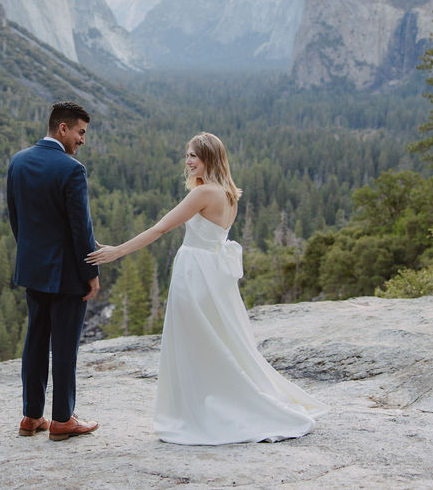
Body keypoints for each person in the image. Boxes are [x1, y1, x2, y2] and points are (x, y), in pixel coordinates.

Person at [86, 132, 328, 445]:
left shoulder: (203, 194)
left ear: (209, 159)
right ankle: (209, 402)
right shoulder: (229, 193)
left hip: (196, 272)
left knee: (194, 341)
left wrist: (117, 251)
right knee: (219, 339)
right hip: (214, 273)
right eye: (187, 156)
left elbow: (161, 228)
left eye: (193, 157)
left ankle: (200, 410)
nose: (187, 162)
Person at [6, 101, 100, 441]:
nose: (82, 140)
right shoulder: (72, 170)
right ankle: (62, 420)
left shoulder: (18, 161)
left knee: (35, 341)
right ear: (62, 129)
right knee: (64, 346)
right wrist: (90, 272)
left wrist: (32, 255)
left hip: (33, 270)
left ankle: (31, 416)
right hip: (66, 275)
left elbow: (16, 219)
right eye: (80, 132)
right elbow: (81, 230)